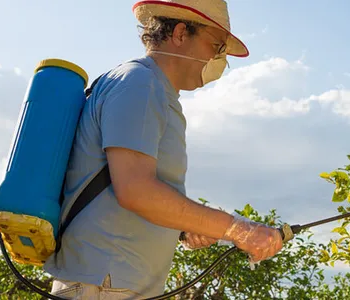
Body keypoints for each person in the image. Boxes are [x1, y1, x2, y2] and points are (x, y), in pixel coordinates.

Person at [44, 0, 283, 299]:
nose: (219, 59)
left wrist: (184, 228)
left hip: (116, 282)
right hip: (102, 283)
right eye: (216, 46)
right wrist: (237, 230)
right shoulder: (141, 83)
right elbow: (135, 190)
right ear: (181, 33)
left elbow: (137, 189)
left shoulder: (152, 89)